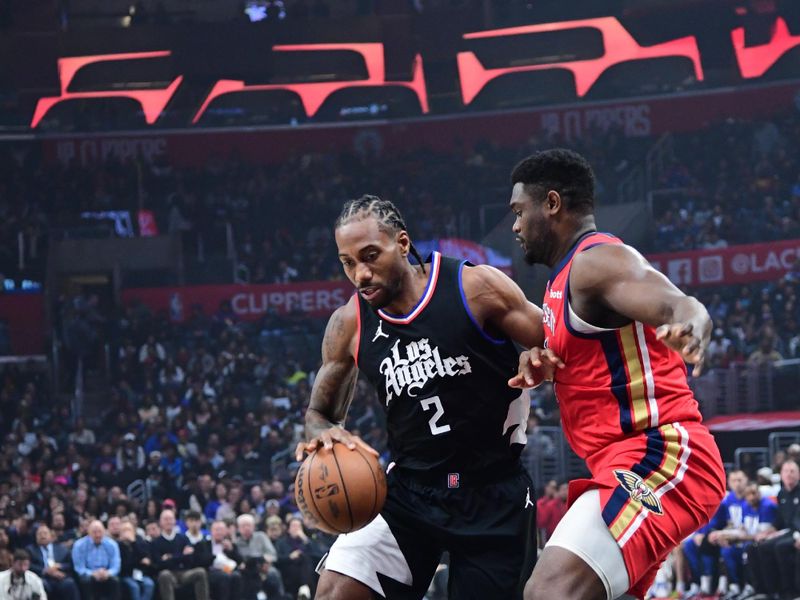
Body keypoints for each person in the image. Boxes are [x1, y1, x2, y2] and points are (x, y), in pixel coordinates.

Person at [296, 196, 547, 599]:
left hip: (493, 494)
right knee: (334, 592)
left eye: (370, 256)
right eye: (347, 262)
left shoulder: (475, 288)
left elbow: (558, 343)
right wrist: (323, 434)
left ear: (403, 243)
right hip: (410, 492)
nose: (360, 274)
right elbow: (320, 412)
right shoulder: (349, 323)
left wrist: (541, 354)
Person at [508, 149, 726, 600]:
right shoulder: (559, 283)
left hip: (659, 453)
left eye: (518, 212)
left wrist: (692, 325)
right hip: (619, 463)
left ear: (551, 204)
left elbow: (678, 303)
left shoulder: (597, 261)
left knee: (549, 592)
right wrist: (542, 362)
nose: (514, 226)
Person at [746, 459, 800, 598]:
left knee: (780, 547)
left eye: (792, 471)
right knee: (757, 546)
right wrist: (767, 532)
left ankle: (789, 592)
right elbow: (780, 521)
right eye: (786, 471)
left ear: (798, 474)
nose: (789, 474)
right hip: (786, 531)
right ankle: (766, 591)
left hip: (796, 532)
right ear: (781, 474)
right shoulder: (781, 494)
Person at [149, 509, 209, 600]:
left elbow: (189, 558)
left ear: (174, 521)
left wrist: (170, 557)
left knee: (200, 572)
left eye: (170, 519)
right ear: (160, 522)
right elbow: (159, 564)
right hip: (169, 573)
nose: (168, 522)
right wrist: (181, 555)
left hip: (184, 572)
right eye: (165, 519)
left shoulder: (183, 538)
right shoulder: (156, 542)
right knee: (164, 574)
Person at [71, 520, 121, 600]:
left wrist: (107, 573)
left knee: (115, 581)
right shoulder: (79, 545)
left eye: (100, 532)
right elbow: (79, 568)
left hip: (106, 574)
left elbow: (116, 566)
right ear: (89, 532)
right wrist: (93, 574)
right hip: (88, 574)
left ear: (104, 532)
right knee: (86, 581)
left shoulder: (112, 544)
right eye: (94, 532)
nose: (97, 535)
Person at [25, 525, 79, 600]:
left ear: (51, 535)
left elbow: (70, 565)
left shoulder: (61, 548)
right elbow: (29, 566)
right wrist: (45, 570)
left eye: (45, 533)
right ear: (35, 537)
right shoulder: (30, 550)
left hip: (59, 577)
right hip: (42, 577)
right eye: (39, 534)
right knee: (41, 585)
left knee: (69, 583)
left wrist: (60, 566)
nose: (42, 536)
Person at [117, 521, 155, 600]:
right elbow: (124, 564)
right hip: (126, 575)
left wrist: (133, 543)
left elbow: (147, 561)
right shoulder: (118, 545)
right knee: (134, 587)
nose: (127, 533)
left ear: (134, 532)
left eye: (129, 530)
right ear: (120, 533)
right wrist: (139, 561)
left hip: (141, 574)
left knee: (149, 584)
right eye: (124, 530)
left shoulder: (141, 543)